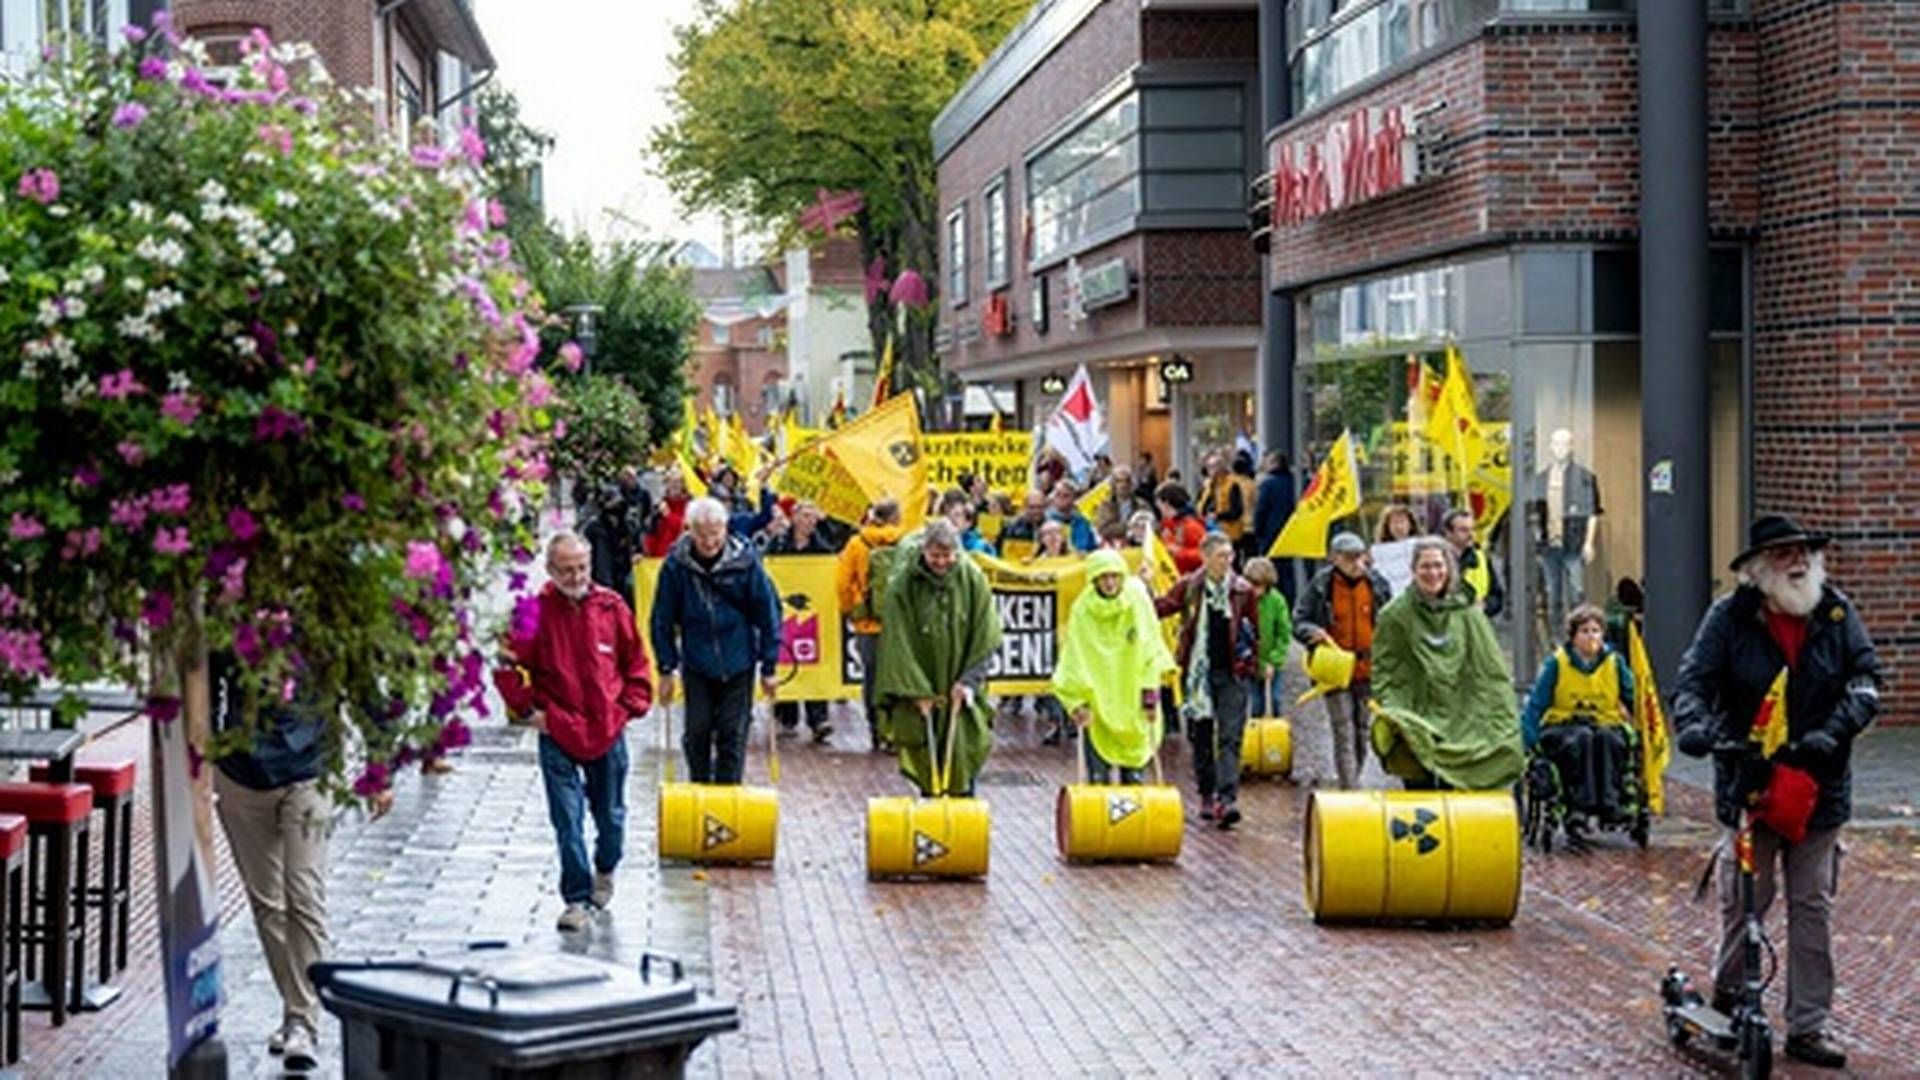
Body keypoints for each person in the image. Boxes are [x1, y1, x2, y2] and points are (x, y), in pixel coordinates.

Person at [1672, 515, 1881, 1070]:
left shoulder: (1836, 614)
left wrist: (1832, 732)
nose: (1798, 562)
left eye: (1804, 552)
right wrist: (1696, 728)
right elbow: (1693, 682)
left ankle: (1809, 1025)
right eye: (1784, 553)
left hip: (1819, 785)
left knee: (1812, 905)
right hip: (1752, 785)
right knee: (1746, 900)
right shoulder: (1729, 618)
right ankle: (1732, 996)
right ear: (1757, 569)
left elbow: (1866, 681)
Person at [212, 653, 389, 1068]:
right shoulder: (232, 611)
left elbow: (365, 692)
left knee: (304, 893)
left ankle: (302, 1023)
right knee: (268, 904)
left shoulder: (326, 614)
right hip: (241, 776)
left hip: (311, 772)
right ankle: (295, 1008)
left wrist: (379, 768)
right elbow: (202, 681)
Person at [502, 532, 652, 933]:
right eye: (566, 569)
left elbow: (635, 661)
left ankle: (606, 867)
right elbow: (506, 663)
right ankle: (576, 898)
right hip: (558, 730)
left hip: (607, 728)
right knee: (566, 820)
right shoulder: (534, 611)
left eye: (582, 567)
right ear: (550, 570)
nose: (575, 575)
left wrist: (629, 707)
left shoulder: (612, 607)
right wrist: (528, 709)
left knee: (612, 818)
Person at [1368, 538, 1524, 791]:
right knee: (1422, 790)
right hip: (1418, 714)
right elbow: (1386, 669)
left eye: (1439, 566)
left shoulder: (1467, 613)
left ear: (1449, 568)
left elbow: (1488, 667)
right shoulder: (1395, 615)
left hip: (1463, 715)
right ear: (1414, 570)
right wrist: (1394, 710)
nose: (1433, 573)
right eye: (1426, 567)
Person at [651, 498, 782, 784]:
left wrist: (769, 665)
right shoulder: (675, 567)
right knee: (697, 731)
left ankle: (728, 794)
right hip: (698, 661)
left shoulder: (746, 563)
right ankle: (699, 788)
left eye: (715, 533)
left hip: (739, 660)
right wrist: (666, 667)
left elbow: (767, 612)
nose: (709, 541)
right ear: (690, 531)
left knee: (732, 733)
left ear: (725, 529)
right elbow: (662, 619)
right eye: (701, 533)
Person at [873, 521, 1003, 797]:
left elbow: (986, 635)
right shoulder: (903, 585)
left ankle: (964, 818)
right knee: (927, 761)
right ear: (924, 551)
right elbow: (898, 642)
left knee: (963, 752)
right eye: (935, 556)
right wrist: (915, 690)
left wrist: (968, 681)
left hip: (961, 685)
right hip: (922, 688)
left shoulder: (973, 579)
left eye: (947, 556)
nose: (941, 562)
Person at [1154, 533, 1260, 828]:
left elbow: (1254, 629)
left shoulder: (1242, 590)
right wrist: (1141, 590)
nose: (1227, 562)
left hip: (1232, 672)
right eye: (1221, 556)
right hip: (1199, 674)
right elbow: (1162, 607)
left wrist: (1251, 664)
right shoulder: (1191, 586)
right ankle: (1206, 793)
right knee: (1201, 735)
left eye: (1230, 556)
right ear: (1205, 557)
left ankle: (1227, 799)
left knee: (1230, 735)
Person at [1052, 549, 1178, 783]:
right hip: (1098, 706)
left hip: (1133, 702)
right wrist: (1075, 702)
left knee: (1133, 777)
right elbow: (1074, 658)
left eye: (1114, 576)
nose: (1109, 583)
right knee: (1098, 779)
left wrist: (1150, 695)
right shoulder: (1083, 611)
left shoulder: (1137, 603)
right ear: (1094, 579)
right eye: (1103, 577)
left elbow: (1150, 650)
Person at [1292, 533, 1392, 789]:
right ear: (1334, 558)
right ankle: (1350, 788)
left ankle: (1353, 778)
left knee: (1361, 730)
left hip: (1367, 668)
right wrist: (1311, 633)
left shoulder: (1377, 584)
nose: (1355, 563)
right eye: (1348, 557)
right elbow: (1299, 620)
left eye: (1359, 556)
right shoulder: (1320, 585)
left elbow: (1391, 620)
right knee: (1343, 729)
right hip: (1334, 668)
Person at [1520, 604, 1635, 823]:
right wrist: (1528, 738)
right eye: (1584, 631)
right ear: (1573, 636)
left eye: (1595, 631)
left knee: (1608, 740)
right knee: (1580, 740)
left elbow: (1632, 696)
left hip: (1604, 722)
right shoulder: (1557, 663)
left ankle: (1612, 802)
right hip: (1563, 724)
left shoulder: (1614, 662)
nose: (1591, 636)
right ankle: (1579, 805)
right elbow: (1537, 702)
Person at [836, 498, 907, 751]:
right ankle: (896, 731)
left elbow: (843, 583)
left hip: (868, 623)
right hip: (900, 626)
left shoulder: (857, 543)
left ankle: (877, 730)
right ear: (896, 517)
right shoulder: (906, 542)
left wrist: (852, 610)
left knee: (873, 677)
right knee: (900, 678)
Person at [766, 500, 835, 743]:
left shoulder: (822, 547)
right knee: (786, 659)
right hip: (785, 612)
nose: (809, 522)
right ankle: (787, 715)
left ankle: (818, 719)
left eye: (812, 518)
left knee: (814, 661)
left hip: (813, 612)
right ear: (794, 518)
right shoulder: (779, 544)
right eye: (805, 516)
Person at [1243, 558, 1292, 720]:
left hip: (1272, 661)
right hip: (1252, 662)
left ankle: (1277, 731)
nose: (1254, 591)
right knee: (1256, 702)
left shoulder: (1277, 602)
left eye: (1258, 586)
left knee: (1276, 699)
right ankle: (1255, 734)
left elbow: (1283, 634)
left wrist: (1274, 660)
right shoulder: (1243, 600)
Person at [582, 482, 641, 611]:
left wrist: (636, 555)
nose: (615, 509)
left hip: (624, 575)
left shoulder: (629, 524)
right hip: (602, 577)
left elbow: (638, 545)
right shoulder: (594, 527)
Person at [1442, 508, 1504, 617]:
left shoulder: (1482, 558)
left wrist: (1485, 606)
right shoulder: (1436, 558)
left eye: (1472, 529)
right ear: (1448, 533)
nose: (1471, 534)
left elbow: (1497, 597)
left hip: (1475, 626)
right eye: (1463, 530)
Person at [1252, 451, 1297, 600]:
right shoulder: (1295, 482)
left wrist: (1258, 532)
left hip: (1271, 534)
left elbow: (1261, 510)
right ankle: (1289, 603)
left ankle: (1274, 601)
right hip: (1292, 532)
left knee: (1271, 571)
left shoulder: (1268, 484)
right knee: (1288, 573)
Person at [1156, 481, 1206, 574]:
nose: (1160, 511)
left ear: (1166, 504)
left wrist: (1179, 552)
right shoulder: (1168, 524)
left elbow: (1204, 555)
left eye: (1160, 506)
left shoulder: (1191, 526)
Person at [641, 469, 691, 558]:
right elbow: (652, 532)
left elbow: (685, 528)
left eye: (678, 482)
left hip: (680, 557)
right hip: (658, 557)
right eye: (670, 482)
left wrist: (668, 515)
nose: (674, 485)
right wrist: (647, 552)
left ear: (683, 485)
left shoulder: (689, 504)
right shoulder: (660, 503)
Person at [1094, 464, 1155, 533]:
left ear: (1132, 483)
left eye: (1127, 480)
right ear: (1113, 484)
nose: (1123, 485)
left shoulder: (1142, 505)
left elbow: (1152, 526)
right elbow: (1103, 529)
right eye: (1119, 481)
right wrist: (1130, 526)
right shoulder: (1105, 505)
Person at [939, 488, 997, 555]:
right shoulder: (937, 537)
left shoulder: (983, 547)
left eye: (958, 515)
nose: (951, 519)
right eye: (947, 515)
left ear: (968, 522)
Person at [1046, 480, 1097, 552]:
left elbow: (1089, 548)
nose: (1061, 498)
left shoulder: (1082, 521)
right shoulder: (1045, 520)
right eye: (1057, 495)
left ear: (1074, 498)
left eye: (1066, 495)